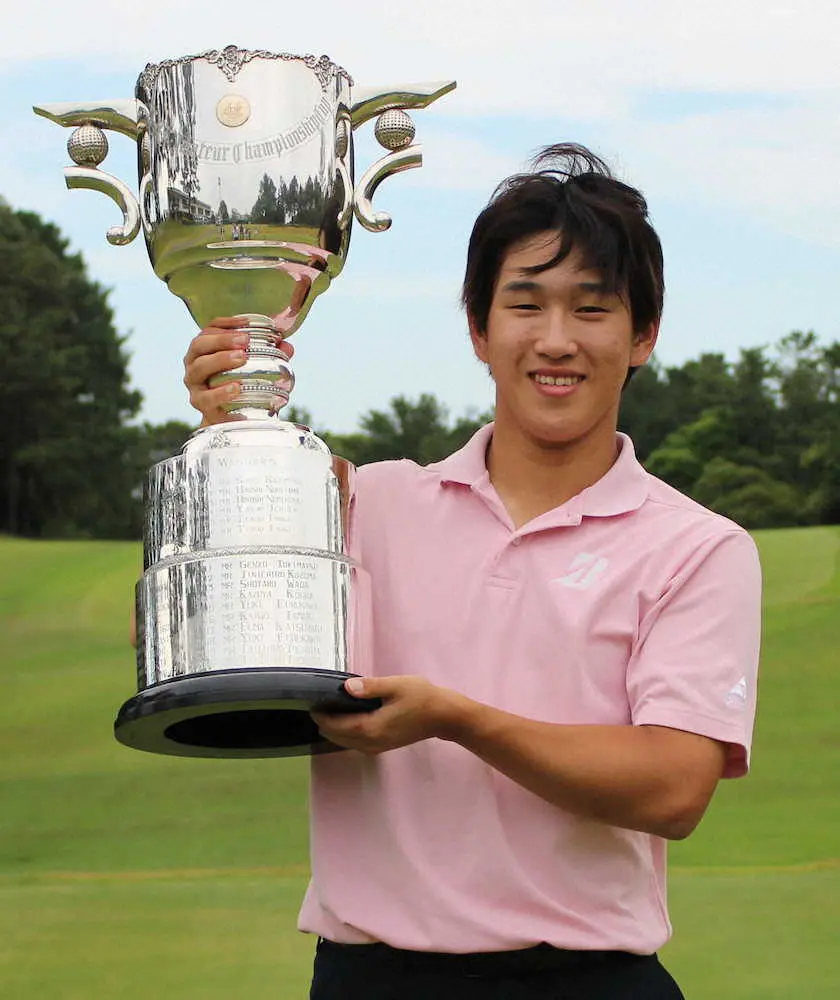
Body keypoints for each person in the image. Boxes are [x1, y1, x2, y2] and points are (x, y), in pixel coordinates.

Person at [183, 144, 761, 1000]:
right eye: (524, 304)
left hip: (588, 984)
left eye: (592, 308)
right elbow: (204, 630)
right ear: (478, 329)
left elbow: (674, 788)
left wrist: (458, 720)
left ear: (642, 334)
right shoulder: (366, 504)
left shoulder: (697, 546)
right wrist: (230, 433)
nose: (556, 340)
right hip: (368, 981)